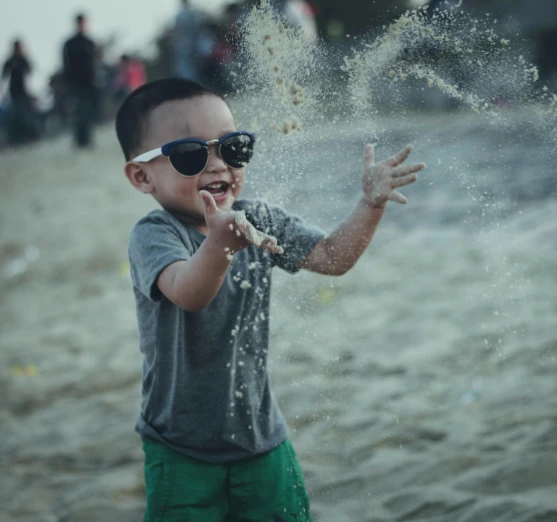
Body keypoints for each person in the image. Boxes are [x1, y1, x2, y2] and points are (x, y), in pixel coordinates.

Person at [115, 78, 424, 521]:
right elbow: (189, 293)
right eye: (191, 154)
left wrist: (370, 205)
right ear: (142, 175)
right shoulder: (155, 235)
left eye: (232, 148)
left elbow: (332, 257)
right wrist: (220, 244)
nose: (219, 165)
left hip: (261, 439)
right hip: (179, 447)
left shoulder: (256, 218)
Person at [62, 13, 97, 148]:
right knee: (78, 112)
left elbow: (94, 63)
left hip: (89, 83)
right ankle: (79, 140)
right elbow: (66, 65)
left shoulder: (89, 42)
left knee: (88, 111)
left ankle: (87, 139)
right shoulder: (70, 44)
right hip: (76, 84)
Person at [0, 39, 36, 145]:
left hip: (25, 93)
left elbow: (31, 74)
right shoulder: (10, 61)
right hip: (14, 93)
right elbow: (3, 78)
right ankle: (17, 139)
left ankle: (27, 137)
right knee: (17, 116)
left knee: (26, 116)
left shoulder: (24, 60)